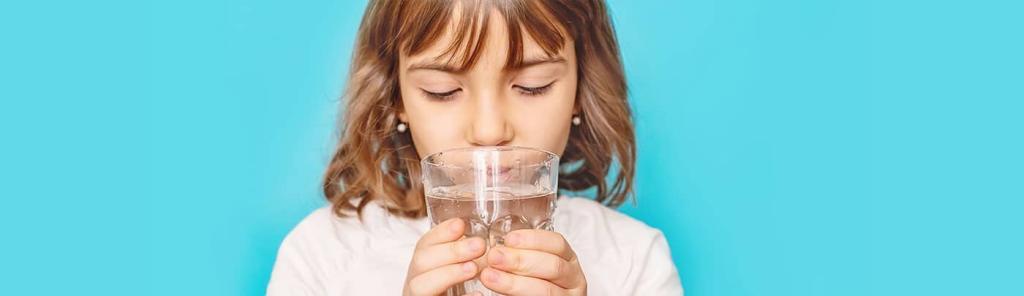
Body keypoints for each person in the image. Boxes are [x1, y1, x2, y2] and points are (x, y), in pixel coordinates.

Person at [267, 0, 683, 295]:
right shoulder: (321, 257)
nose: (489, 131)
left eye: (532, 86)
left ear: (580, 91)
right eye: (442, 91)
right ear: (396, 97)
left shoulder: (634, 259)